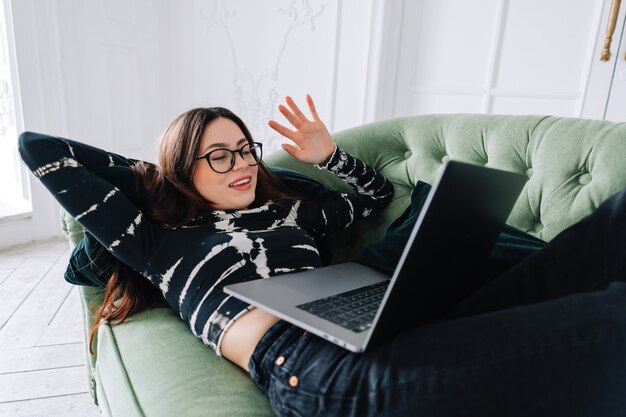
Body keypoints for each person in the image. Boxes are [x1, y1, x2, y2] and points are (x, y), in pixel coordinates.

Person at [18, 96, 626, 417]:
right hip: (308, 365)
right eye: (218, 155)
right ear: (183, 169)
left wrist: (327, 155)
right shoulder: (159, 240)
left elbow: (376, 194)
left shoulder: (294, 213)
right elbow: (41, 149)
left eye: (245, 148)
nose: (242, 163)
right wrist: (160, 176)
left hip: (388, 318)